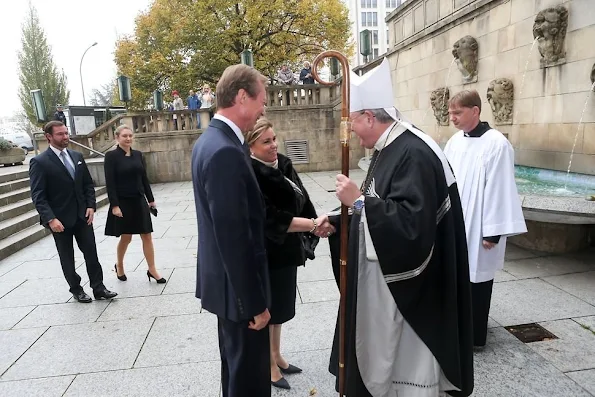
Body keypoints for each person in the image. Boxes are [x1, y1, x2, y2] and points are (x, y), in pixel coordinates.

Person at [326, 59, 474, 396]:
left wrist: (359, 203)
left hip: (418, 285)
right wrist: (338, 219)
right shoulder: (389, 147)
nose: (351, 131)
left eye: (354, 123)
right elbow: (380, 198)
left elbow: (412, 226)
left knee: (411, 369)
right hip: (394, 276)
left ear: (369, 117)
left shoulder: (414, 152)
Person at [191, 64, 271, 397]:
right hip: (239, 294)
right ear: (241, 97)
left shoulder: (211, 141)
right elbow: (233, 236)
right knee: (248, 381)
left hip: (227, 288)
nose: (263, 109)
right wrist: (253, 303)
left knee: (236, 373)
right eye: (261, 101)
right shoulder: (225, 151)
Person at [246, 117, 334, 390]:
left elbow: (302, 197)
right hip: (267, 250)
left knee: (282, 306)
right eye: (266, 142)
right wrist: (312, 225)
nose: (273, 145)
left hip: (288, 248)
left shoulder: (283, 162)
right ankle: (268, 365)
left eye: (274, 139)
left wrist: (315, 222)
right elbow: (269, 218)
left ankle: (276, 354)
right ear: (251, 145)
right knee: (269, 308)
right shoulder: (250, 171)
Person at [443, 90, 526, 350]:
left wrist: (492, 232)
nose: (453, 118)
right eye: (450, 113)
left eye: (458, 113)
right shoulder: (455, 141)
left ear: (475, 111)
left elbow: (500, 188)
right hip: (456, 220)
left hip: (479, 224)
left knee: (476, 278)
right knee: (455, 275)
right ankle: (454, 328)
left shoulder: (496, 143)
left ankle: (474, 337)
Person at [29, 121, 117, 303]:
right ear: (49, 137)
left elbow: (87, 184)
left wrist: (91, 206)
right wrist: (51, 219)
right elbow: (38, 196)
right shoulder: (39, 162)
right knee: (67, 257)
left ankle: (98, 288)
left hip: (82, 216)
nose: (65, 137)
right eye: (60, 134)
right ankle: (76, 289)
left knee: (91, 252)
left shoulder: (76, 156)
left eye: (66, 133)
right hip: (59, 220)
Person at [104, 125, 166, 284]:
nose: (128, 138)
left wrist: (151, 200)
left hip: (139, 200)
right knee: (126, 237)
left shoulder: (138, 155)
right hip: (123, 202)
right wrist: (114, 206)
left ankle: (152, 269)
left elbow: (144, 178)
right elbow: (110, 184)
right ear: (117, 138)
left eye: (130, 135)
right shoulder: (111, 156)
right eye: (125, 136)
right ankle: (120, 265)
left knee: (147, 235)